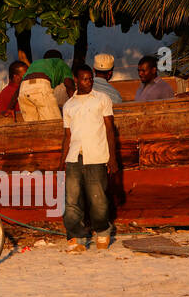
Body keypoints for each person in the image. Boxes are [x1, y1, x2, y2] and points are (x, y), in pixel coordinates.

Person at [59, 65, 118, 252]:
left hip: (97, 156)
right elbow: (67, 135)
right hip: (74, 157)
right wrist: (62, 160)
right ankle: (76, 236)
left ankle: (102, 231)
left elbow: (110, 129)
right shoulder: (69, 105)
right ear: (76, 80)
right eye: (85, 79)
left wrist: (113, 158)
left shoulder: (102, 99)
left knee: (98, 199)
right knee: (72, 201)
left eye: (91, 78)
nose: (89, 82)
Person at [17, 51, 73, 122]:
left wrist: (10, 108)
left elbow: (20, 87)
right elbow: (69, 86)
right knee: (54, 124)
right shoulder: (61, 63)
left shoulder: (35, 64)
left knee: (33, 127)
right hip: (40, 88)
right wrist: (75, 102)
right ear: (60, 59)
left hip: (23, 90)